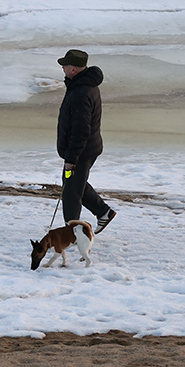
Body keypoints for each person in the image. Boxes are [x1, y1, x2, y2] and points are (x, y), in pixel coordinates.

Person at [56, 49, 117, 233]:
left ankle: (71, 232)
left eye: (65, 65)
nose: (63, 68)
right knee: (76, 184)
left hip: (81, 151)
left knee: (71, 192)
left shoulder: (81, 93)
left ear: (73, 69)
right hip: (85, 149)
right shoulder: (81, 85)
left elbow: (81, 130)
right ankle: (103, 212)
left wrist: (71, 158)